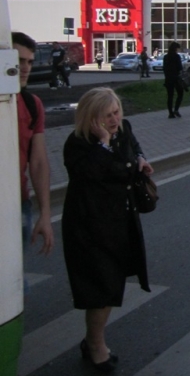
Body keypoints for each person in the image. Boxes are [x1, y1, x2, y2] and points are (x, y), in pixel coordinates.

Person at [62, 87, 153, 372]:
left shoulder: (123, 128)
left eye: (116, 112)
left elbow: (133, 147)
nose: (114, 120)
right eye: (106, 116)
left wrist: (140, 158)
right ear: (91, 118)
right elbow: (89, 174)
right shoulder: (78, 143)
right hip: (89, 225)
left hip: (120, 220)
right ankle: (95, 345)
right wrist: (103, 144)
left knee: (111, 282)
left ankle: (92, 340)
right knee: (101, 286)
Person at [13, 32, 55, 266]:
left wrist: (45, 214)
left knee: (14, 278)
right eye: (19, 61)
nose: (25, 68)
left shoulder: (32, 104)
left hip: (19, 203)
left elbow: (38, 162)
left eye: (29, 61)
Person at [162, 42, 184, 119]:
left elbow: (164, 68)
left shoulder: (165, 57)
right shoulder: (177, 57)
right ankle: (176, 109)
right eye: (178, 48)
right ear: (175, 48)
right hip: (176, 79)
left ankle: (170, 113)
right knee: (180, 93)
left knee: (170, 96)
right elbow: (180, 68)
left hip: (168, 79)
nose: (178, 50)